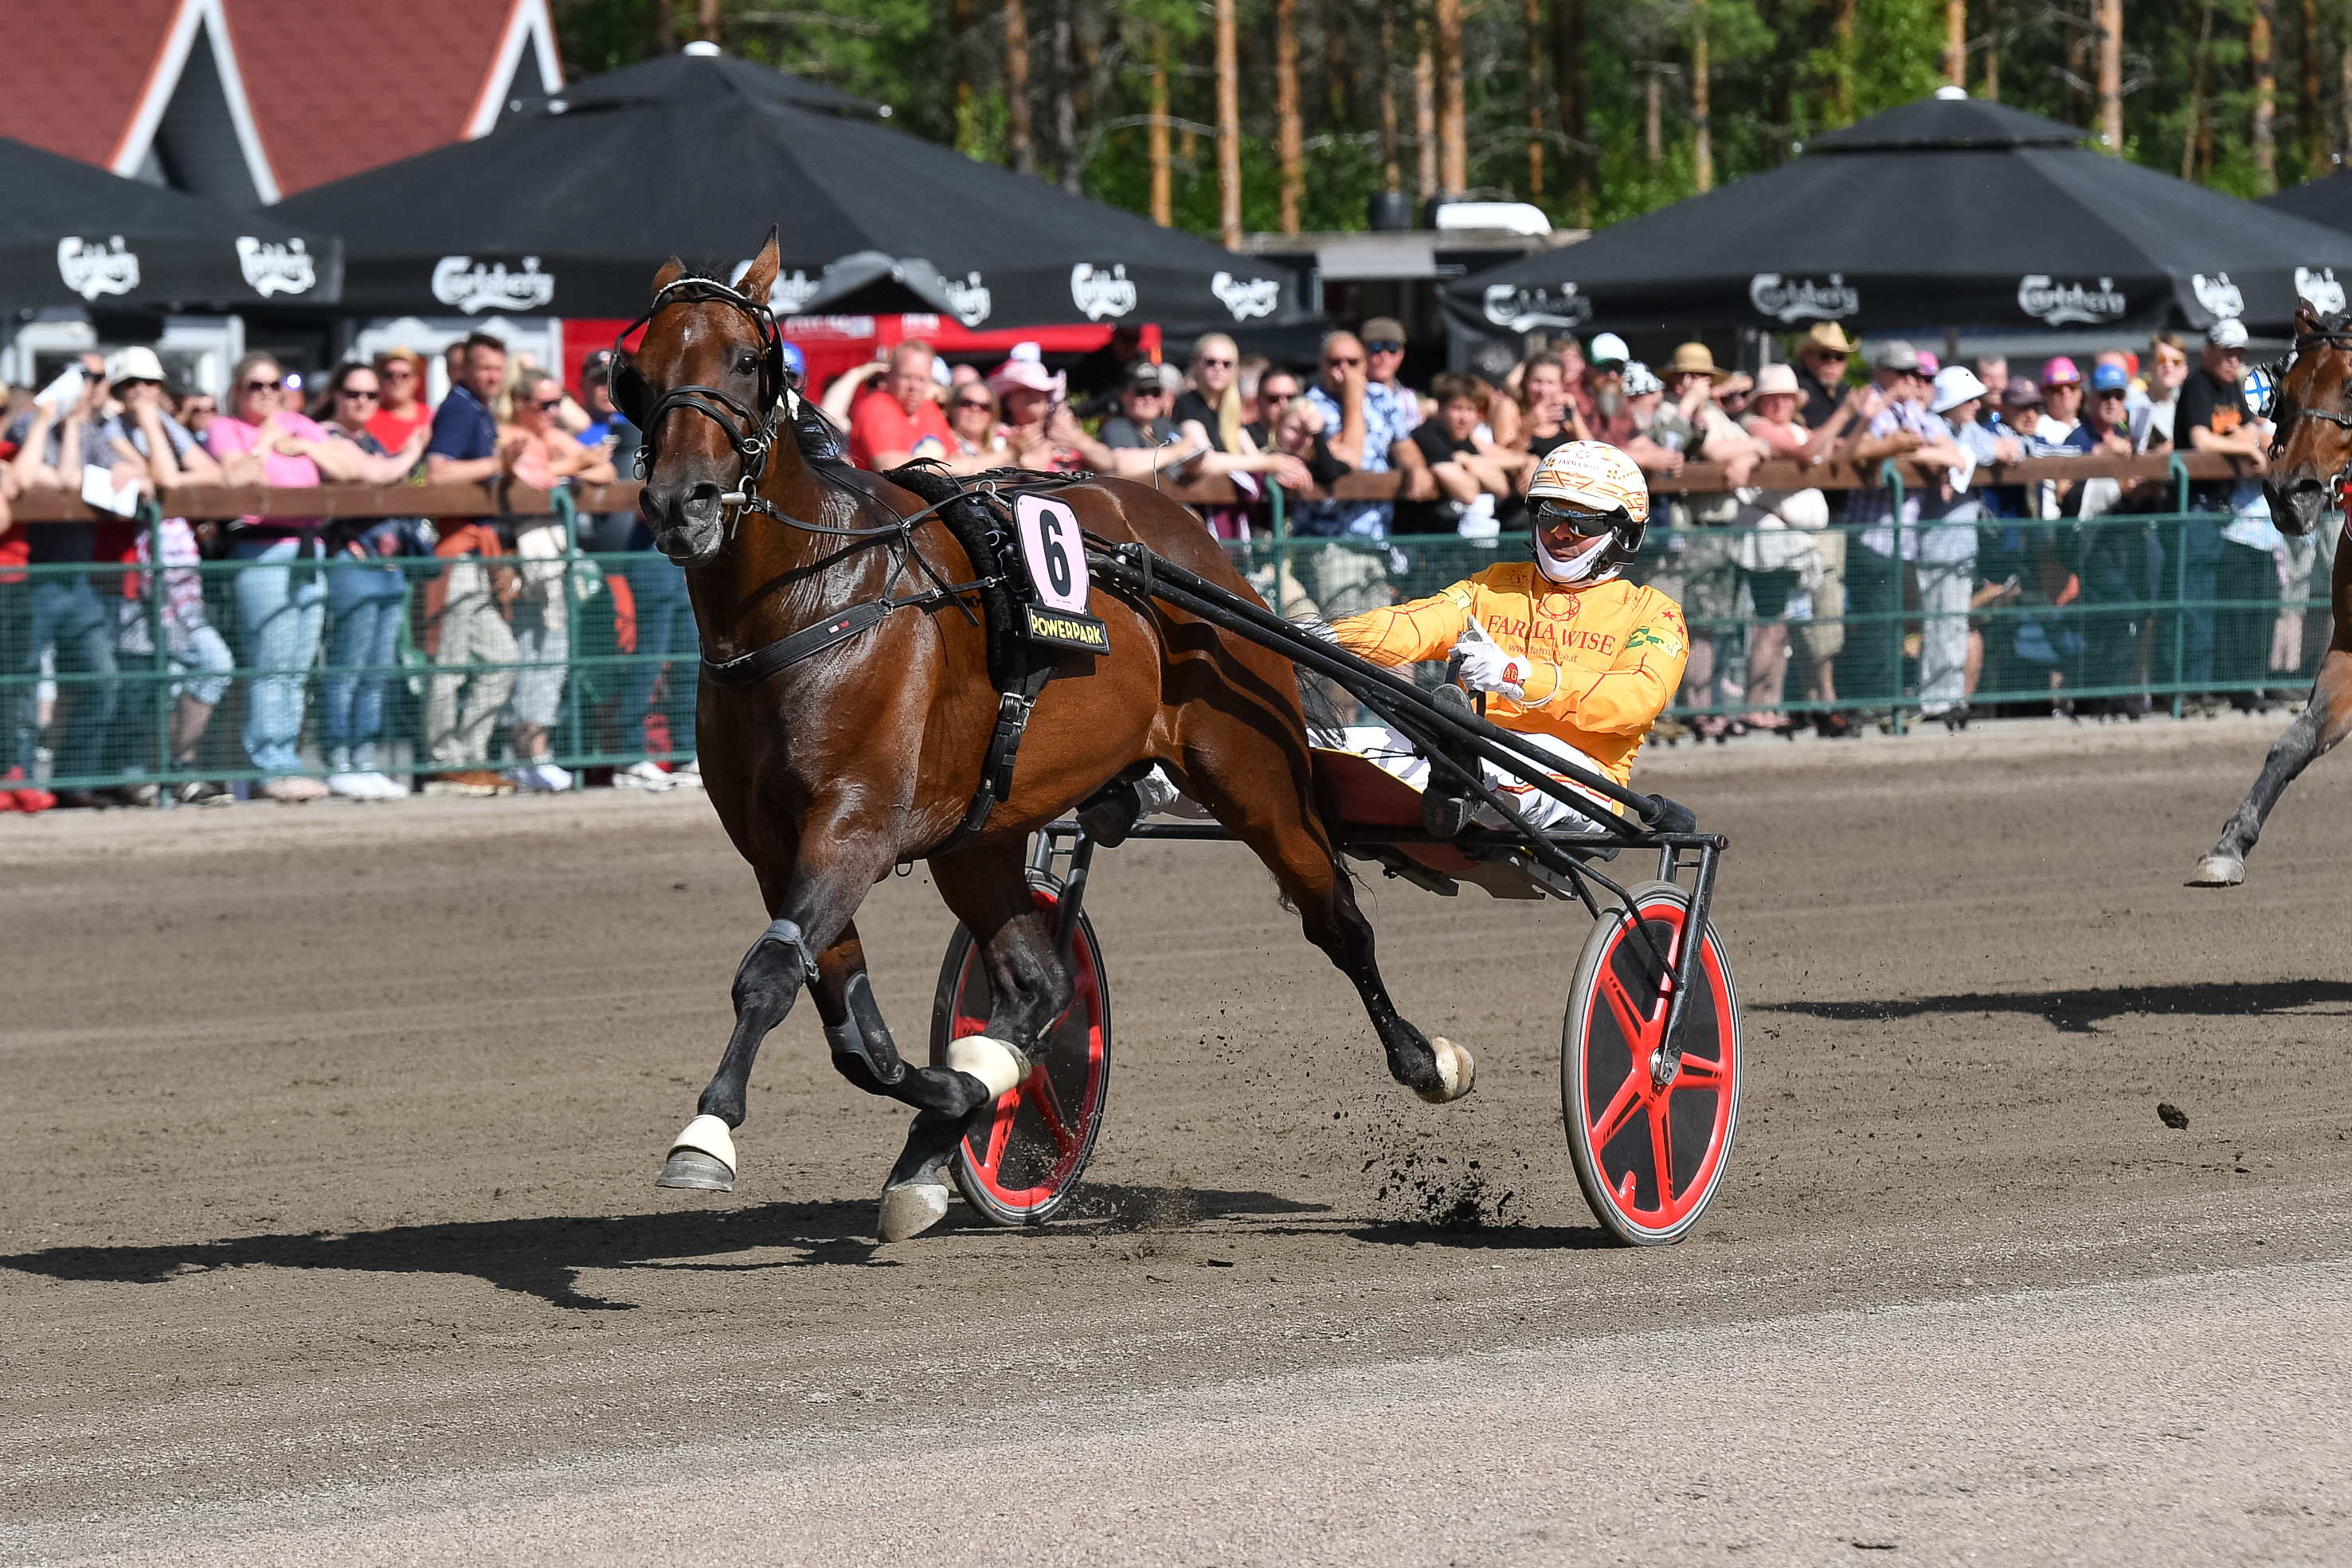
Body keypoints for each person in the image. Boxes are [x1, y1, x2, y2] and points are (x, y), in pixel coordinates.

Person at [1325, 441, 1686, 834]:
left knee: (1497, 766)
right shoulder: (1493, 584)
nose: (1562, 534)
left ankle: (1462, 783)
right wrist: (1330, 634)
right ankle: (1453, 781)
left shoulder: (1655, 612)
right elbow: (1418, 623)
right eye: (1551, 517)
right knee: (1323, 746)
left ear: (1623, 531)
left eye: (1584, 522)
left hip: (1584, 775)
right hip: (1465, 747)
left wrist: (1517, 677)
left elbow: (1638, 697)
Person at [205, 352, 367, 801]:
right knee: (271, 664)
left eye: (275, 385)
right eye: (256, 386)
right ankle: (268, 765)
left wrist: (307, 445)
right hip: (261, 549)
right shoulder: (227, 428)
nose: (267, 394)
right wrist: (268, 438)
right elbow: (237, 478)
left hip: (308, 548)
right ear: (237, 391)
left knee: (297, 668)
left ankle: (286, 759)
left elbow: (351, 469)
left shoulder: (301, 425)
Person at [103, 347, 231, 802]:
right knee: (148, 682)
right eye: (132, 385)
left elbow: (211, 475)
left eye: (151, 384)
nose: (143, 393)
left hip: (180, 579)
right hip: (135, 579)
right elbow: (164, 478)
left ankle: (181, 767)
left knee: (212, 664)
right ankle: (133, 771)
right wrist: (154, 428)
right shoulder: (108, 431)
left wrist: (158, 428)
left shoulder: (168, 427)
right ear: (117, 391)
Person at [7, 354, 129, 806]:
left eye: (100, 379)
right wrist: (74, 430)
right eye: (90, 378)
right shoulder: (27, 426)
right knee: (19, 684)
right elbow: (60, 481)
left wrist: (125, 470)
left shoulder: (94, 430)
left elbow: (128, 476)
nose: (98, 387)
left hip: (75, 579)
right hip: (33, 577)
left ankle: (72, 781)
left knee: (102, 677)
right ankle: (18, 781)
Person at [314, 362, 430, 799]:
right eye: (352, 394)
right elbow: (374, 474)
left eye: (369, 395)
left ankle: (363, 759)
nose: (361, 402)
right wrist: (413, 450)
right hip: (351, 564)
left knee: (378, 671)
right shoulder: (326, 436)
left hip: (386, 566)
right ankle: (339, 759)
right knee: (348, 667)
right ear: (336, 395)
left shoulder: (374, 439)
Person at [421, 332, 527, 795]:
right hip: (458, 555)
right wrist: (495, 463)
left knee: (502, 659)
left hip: (479, 556)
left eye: (497, 369)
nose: (492, 376)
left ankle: (470, 755)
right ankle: (445, 762)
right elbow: (437, 471)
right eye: (484, 368)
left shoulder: (479, 410)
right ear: (464, 368)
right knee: (449, 664)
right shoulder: (460, 407)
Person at [499, 367, 613, 792]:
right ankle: (525, 753)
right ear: (521, 404)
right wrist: (578, 463)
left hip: (554, 560)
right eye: (543, 404)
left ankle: (536, 752)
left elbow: (603, 472)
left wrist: (576, 465)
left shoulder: (551, 438)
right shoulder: (511, 435)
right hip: (524, 562)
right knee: (530, 654)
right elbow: (535, 478)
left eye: (556, 402)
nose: (552, 411)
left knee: (553, 653)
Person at [1837, 341, 1964, 722]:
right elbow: (1857, 451)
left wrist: (1912, 452)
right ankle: (1869, 704)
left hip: (1897, 540)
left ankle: (1881, 702)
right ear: (1884, 372)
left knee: (1891, 624)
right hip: (1871, 535)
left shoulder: (1907, 410)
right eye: (1905, 373)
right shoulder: (1872, 404)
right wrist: (1898, 446)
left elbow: (1949, 450)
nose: (1913, 380)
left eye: (1916, 374)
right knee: (1876, 625)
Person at [1739, 362, 1862, 733]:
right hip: (1770, 540)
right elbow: (1808, 452)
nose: (1779, 403)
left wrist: (1863, 420)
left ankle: (1772, 705)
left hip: (1799, 543)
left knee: (1786, 628)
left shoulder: (1796, 428)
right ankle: (1754, 705)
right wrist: (1845, 414)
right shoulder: (1755, 427)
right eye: (1772, 397)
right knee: (1769, 626)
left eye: (1786, 397)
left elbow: (1834, 452)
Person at [2174, 319, 2272, 710]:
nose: (2234, 361)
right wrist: (2241, 445)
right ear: (2208, 350)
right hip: (2195, 509)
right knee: (2195, 604)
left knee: (2222, 606)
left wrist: (2246, 440)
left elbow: (2255, 430)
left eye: (2239, 354)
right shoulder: (2198, 385)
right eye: (2227, 352)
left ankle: (2225, 688)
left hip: (2224, 512)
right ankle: (2192, 692)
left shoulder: (2234, 387)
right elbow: (2200, 439)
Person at [1918, 366, 2020, 725]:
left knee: (1955, 623)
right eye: (1970, 399)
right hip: (1936, 546)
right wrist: (1987, 450)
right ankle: (1935, 701)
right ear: (1954, 403)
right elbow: (1972, 450)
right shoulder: (1933, 428)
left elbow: (2001, 447)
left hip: (1961, 546)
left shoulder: (1967, 430)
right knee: (1941, 623)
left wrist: (1999, 448)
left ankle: (1948, 698)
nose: (1978, 404)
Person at [1401, 372, 1535, 537]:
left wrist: (1469, 462)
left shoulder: (1463, 440)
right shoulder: (1427, 435)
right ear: (1440, 409)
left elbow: (1501, 486)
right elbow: (1468, 493)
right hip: (1418, 541)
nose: (1464, 418)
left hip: (1450, 542)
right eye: (1457, 408)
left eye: (1470, 410)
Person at [847, 340, 954, 471]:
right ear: (889, 376)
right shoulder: (876, 406)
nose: (913, 386)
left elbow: (956, 456)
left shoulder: (928, 408)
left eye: (921, 379)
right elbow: (889, 466)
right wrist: (957, 468)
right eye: (906, 377)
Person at [1513, 354, 1590, 466]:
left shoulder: (1565, 422)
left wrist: (1574, 413)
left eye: (1550, 383)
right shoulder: (1512, 409)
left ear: (1561, 386)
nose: (1543, 390)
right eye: (1537, 381)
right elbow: (1505, 457)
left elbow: (1591, 452)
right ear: (1525, 381)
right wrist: (1528, 426)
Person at [1358, 316, 1422, 438]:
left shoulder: (1408, 399)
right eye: (1375, 348)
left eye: (1392, 348)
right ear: (1362, 351)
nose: (1384, 356)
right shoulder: (1352, 395)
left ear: (1401, 353)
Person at [367, 348, 433, 452]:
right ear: (381, 380)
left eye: (404, 376)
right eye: (389, 375)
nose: (397, 381)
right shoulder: (367, 416)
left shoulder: (431, 418)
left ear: (416, 380)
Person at [1242, 367, 1301, 451]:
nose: (1284, 405)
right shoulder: (1244, 437)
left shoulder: (1304, 442)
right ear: (1258, 401)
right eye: (1274, 399)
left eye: (1291, 398)